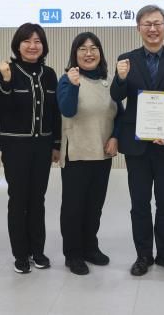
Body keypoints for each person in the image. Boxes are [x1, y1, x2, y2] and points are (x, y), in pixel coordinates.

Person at [110, 4, 164, 276]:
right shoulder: (126, 60)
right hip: (137, 146)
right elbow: (116, 96)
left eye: (157, 23)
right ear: (138, 28)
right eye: (147, 24)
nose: (153, 29)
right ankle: (143, 255)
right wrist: (120, 77)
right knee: (140, 204)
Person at [0, 23, 61, 274]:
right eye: (27, 41)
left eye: (37, 41)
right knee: (18, 199)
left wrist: (56, 144)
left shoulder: (50, 74)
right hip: (16, 147)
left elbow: (55, 113)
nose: (32, 46)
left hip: (42, 146)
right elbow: (1, 109)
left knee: (37, 199)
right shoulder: (7, 71)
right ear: (17, 45)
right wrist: (7, 82)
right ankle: (20, 255)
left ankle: (37, 251)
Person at [56, 32, 123, 275]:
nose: (89, 53)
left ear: (100, 53)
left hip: (101, 153)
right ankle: (73, 254)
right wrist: (74, 86)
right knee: (73, 208)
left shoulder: (108, 82)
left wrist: (115, 137)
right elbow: (67, 109)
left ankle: (90, 247)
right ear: (75, 54)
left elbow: (120, 114)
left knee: (94, 206)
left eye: (94, 48)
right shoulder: (67, 80)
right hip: (76, 153)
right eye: (83, 49)